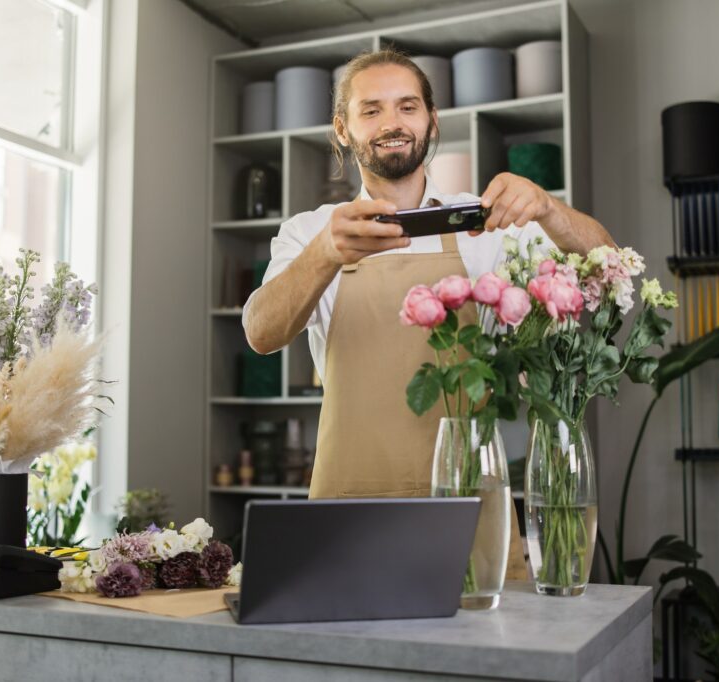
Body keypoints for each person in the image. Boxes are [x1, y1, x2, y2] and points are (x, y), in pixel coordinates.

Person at [242, 49, 615, 580]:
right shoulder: (310, 231)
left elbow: (608, 270)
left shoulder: (485, 222)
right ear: (342, 130)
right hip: (348, 504)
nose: (391, 123)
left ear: (431, 120)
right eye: (371, 110)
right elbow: (260, 333)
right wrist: (326, 252)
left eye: (407, 107)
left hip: (470, 499)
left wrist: (550, 210)